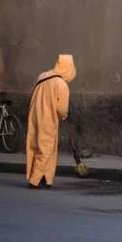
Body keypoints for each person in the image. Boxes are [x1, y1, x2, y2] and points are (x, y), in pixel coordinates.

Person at [26, 54, 76, 189]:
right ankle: (35, 179)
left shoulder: (43, 76)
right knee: (47, 148)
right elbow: (62, 108)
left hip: (34, 115)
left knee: (37, 145)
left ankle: (47, 178)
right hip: (48, 118)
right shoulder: (62, 84)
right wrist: (64, 116)